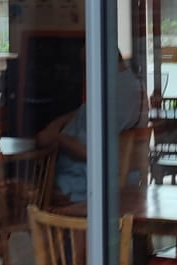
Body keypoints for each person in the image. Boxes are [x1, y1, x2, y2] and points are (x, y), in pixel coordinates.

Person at [37, 54, 144, 203]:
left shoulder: (119, 93)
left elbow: (89, 151)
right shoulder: (122, 83)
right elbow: (88, 110)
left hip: (81, 182)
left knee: (31, 187)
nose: (85, 72)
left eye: (86, 66)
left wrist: (56, 137)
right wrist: (60, 121)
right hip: (80, 174)